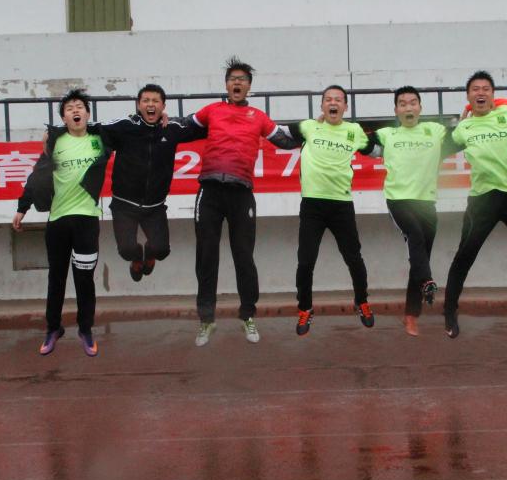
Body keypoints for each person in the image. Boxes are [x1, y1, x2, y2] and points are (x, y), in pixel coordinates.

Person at [190, 57, 295, 347]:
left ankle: (248, 315)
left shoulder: (259, 117)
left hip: (241, 194)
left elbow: (286, 141)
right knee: (206, 256)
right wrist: (160, 122)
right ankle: (206, 320)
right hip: (209, 192)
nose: (237, 83)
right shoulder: (211, 110)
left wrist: (314, 128)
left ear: (249, 87)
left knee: (244, 257)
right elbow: (184, 128)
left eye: (242, 79)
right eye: (232, 79)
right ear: (226, 85)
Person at [442, 71, 507, 339]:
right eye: (475, 89)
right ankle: (449, 311)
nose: (480, 93)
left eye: (486, 89)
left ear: (493, 94)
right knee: (464, 257)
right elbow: (438, 151)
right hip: (482, 200)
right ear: (468, 96)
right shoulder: (464, 128)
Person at [13, 89, 111, 357]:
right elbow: (38, 176)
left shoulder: (100, 139)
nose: (75, 110)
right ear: (64, 118)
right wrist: (22, 208)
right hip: (58, 221)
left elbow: (133, 131)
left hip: (87, 220)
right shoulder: (56, 142)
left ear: (87, 114)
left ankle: (85, 329)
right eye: (69, 108)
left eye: (80, 106)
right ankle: (53, 328)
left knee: (84, 279)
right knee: (56, 277)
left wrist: (162, 117)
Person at [284, 85, 377, 336]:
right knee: (306, 261)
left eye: (338, 100)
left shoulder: (354, 131)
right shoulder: (309, 127)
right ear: (322, 105)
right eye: (328, 100)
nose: (333, 103)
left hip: (341, 205)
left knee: (354, 258)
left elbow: (375, 149)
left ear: (345, 106)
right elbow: (282, 132)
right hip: (312, 205)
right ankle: (305, 308)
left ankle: (362, 301)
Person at [369, 86, 458, 336]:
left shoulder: (434, 130)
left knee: (420, 259)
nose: (408, 107)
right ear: (396, 110)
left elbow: (460, 136)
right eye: (403, 104)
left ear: (420, 107)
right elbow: (360, 142)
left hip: (427, 203)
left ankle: (411, 315)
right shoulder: (387, 134)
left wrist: (468, 120)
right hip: (398, 200)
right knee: (415, 237)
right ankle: (428, 282)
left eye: (412, 103)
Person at [101, 84, 206, 282]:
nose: (151, 104)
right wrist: (54, 133)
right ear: (138, 105)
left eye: (155, 101)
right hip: (124, 205)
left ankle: (149, 253)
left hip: (155, 207)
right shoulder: (125, 126)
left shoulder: (171, 128)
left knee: (161, 250)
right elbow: (93, 128)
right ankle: (136, 256)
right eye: (146, 101)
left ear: (163, 106)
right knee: (126, 250)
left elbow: (201, 127)